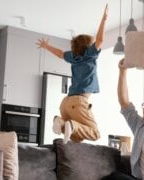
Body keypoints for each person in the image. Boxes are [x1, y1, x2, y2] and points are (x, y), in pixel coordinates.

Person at [36, 4, 108, 144]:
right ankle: (69, 124)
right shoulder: (90, 55)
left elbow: (59, 53)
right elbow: (100, 40)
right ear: (89, 46)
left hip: (66, 103)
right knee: (95, 133)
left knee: (77, 137)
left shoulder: (73, 56)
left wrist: (46, 46)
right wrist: (104, 19)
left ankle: (61, 122)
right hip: (79, 102)